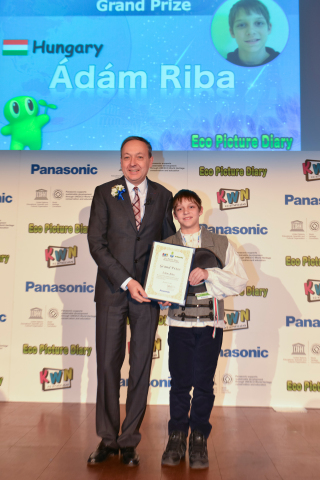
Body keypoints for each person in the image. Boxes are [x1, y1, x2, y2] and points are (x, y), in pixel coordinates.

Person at [87, 136, 176, 467]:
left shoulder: (163, 196)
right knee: (108, 366)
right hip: (112, 291)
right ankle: (107, 440)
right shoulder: (104, 193)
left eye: (140, 157)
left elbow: (168, 246)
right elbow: (96, 243)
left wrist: (165, 286)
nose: (133, 162)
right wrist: (127, 281)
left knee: (140, 366)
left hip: (148, 297)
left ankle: (128, 442)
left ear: (151, 160)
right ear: (121, 160)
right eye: (127, 157)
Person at [160, 190, 248, 469]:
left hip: (211, 325)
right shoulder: (167, 245)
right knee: (180, 383)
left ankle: (198, 437)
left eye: (190, 207)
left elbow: (239, 281)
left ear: (200, 210)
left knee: (204, 384)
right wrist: (161, 296)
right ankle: (176, 436)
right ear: (174, 215)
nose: (185, 212)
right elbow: (160, 285)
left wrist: (210, 274)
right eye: (179, 209)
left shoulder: (221, 244)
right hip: (179, 324)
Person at [227, 0, 279, 67]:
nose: (251, 32)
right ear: (232, 32)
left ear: (269, 28)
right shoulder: (221, 67)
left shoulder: (287, 63)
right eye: (241, 25)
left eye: (259, 23)